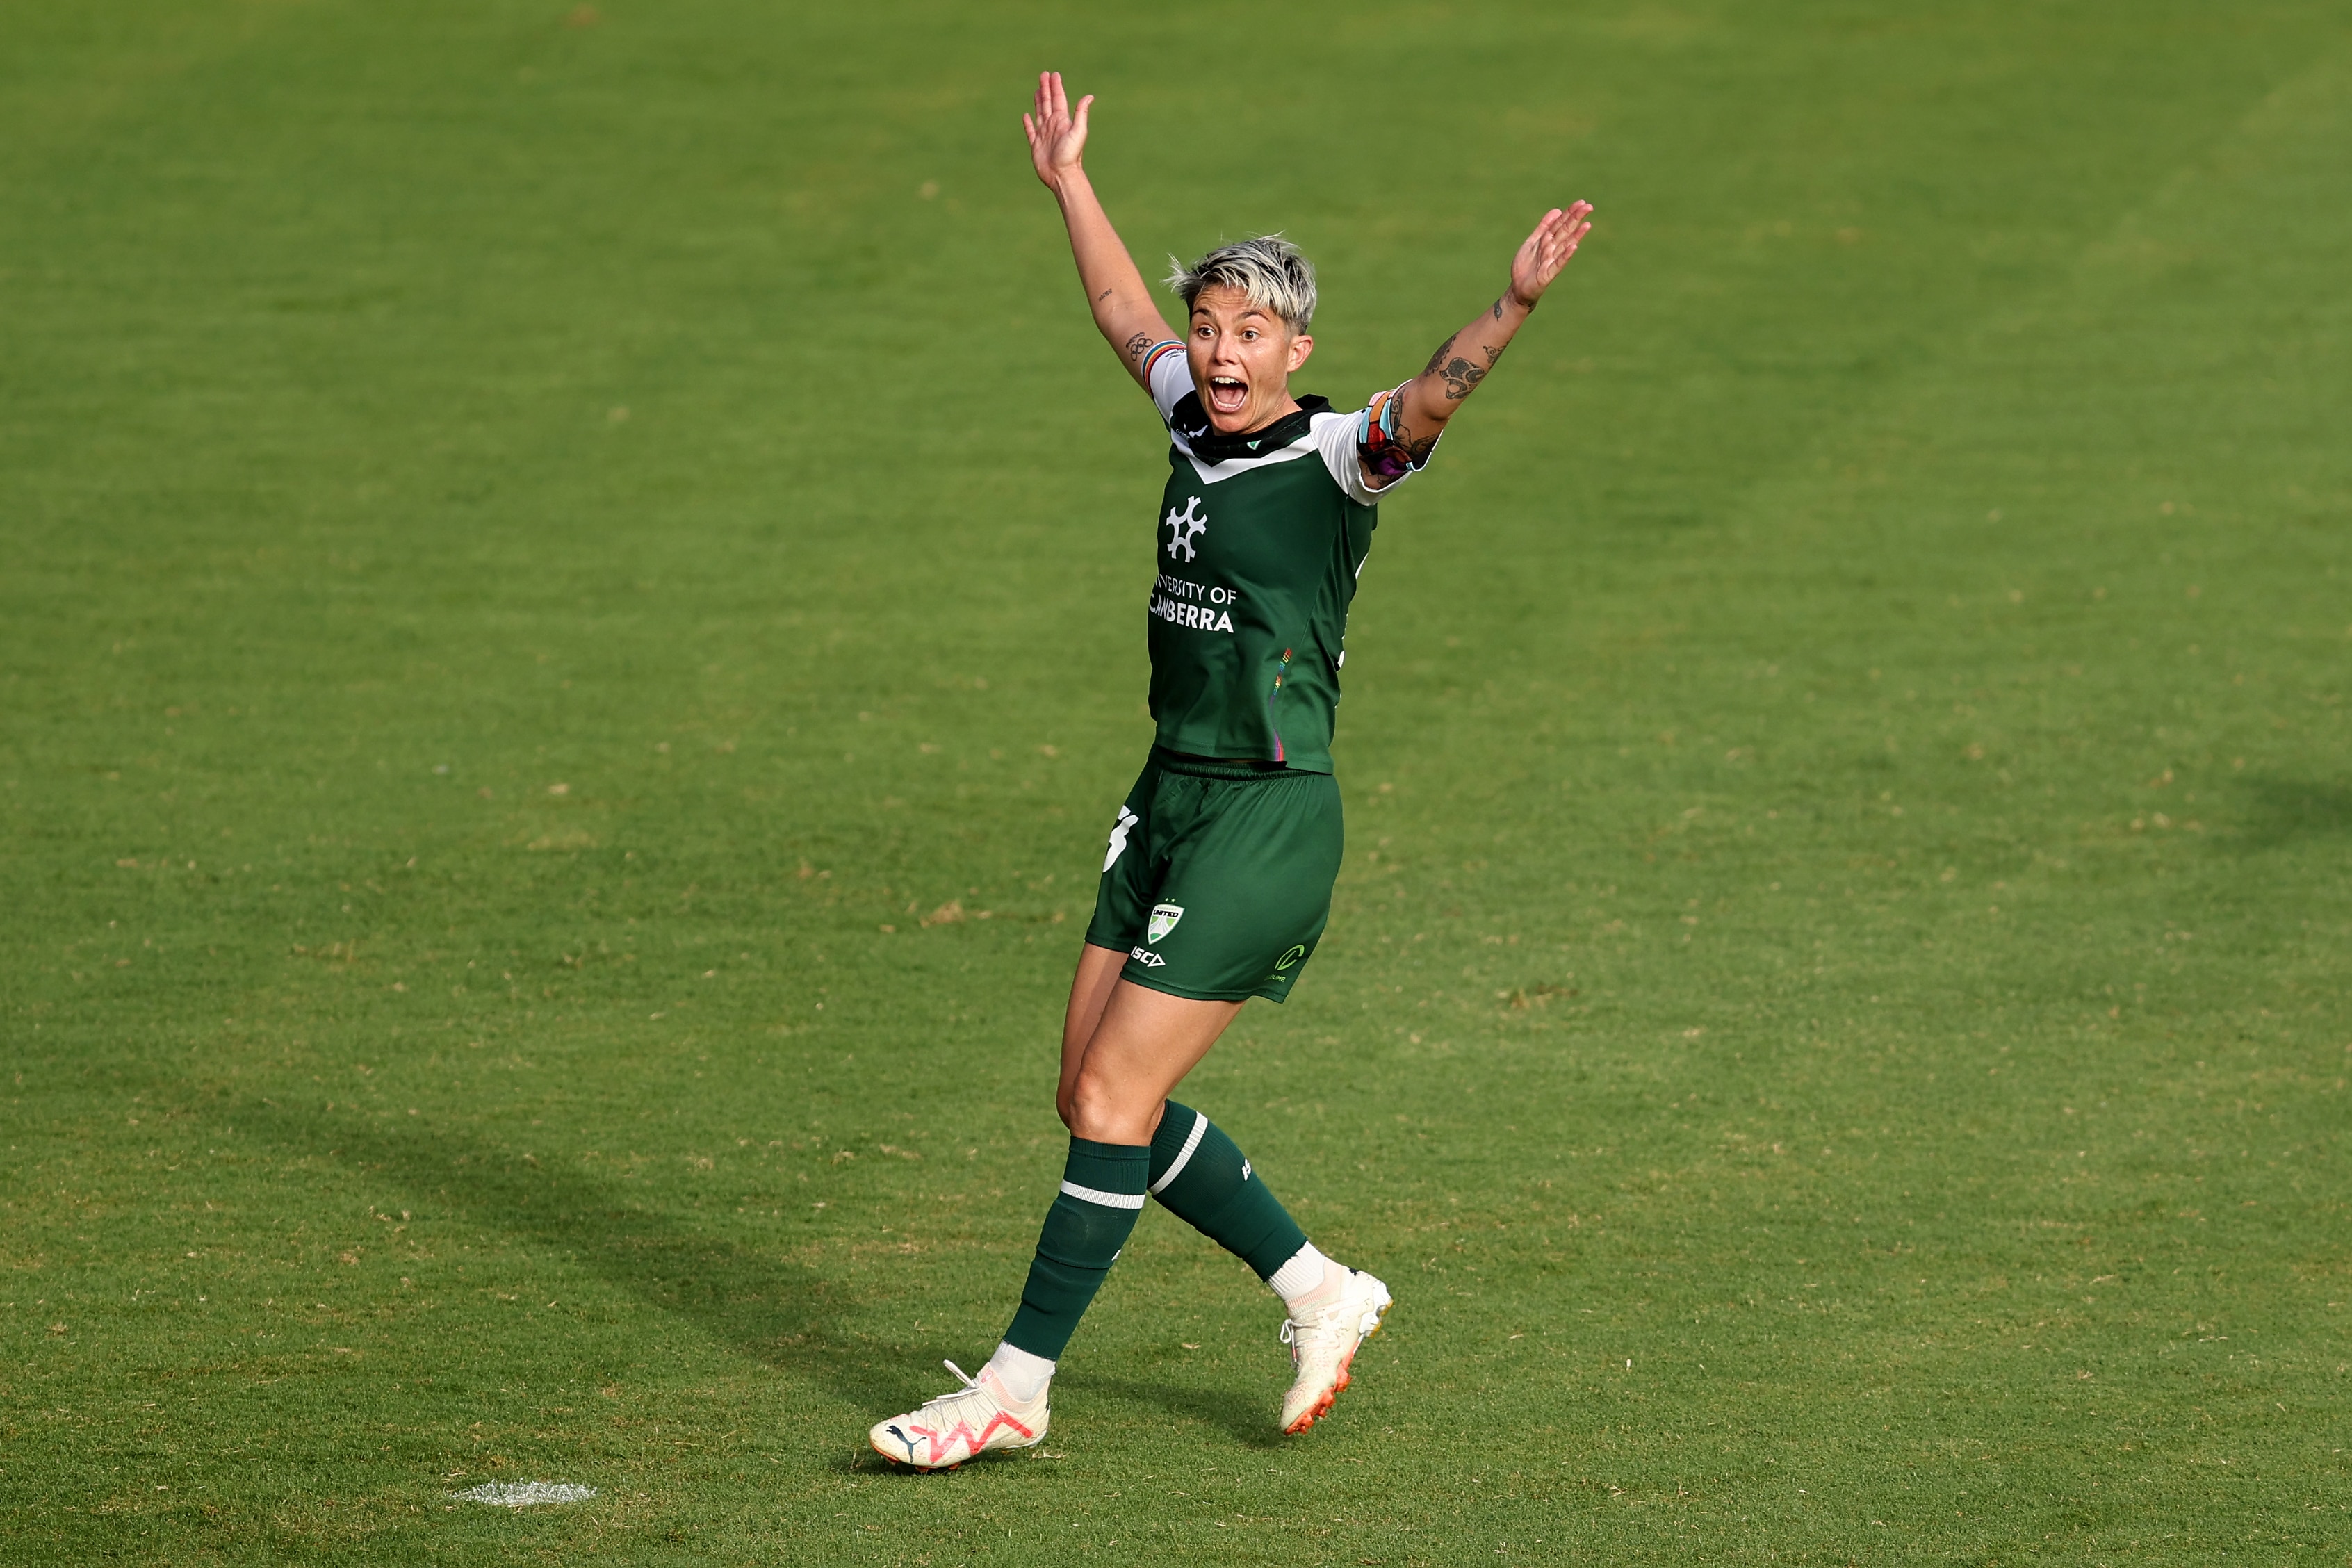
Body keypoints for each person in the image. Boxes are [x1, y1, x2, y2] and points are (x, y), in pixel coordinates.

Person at [868, 72, 1594, 1469]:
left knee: (1109, 1104)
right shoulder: (1192, 421)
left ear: (1294, 343)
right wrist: (1070, 180)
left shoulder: (1337, 457)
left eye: (1245, 331)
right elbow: (1116, 314)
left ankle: (1017, 1387)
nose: (1214, 349)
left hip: (1267, 816)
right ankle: (1322, 1289)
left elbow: (1435, 402)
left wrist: (1508, 308)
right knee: (1088, 1088)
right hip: (1169, 796)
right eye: (1209, 328)